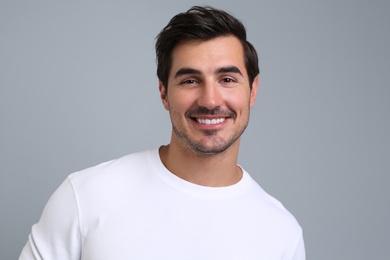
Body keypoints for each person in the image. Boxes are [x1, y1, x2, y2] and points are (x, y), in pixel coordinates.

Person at [20, 6, 305, 259]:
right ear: (164, 93)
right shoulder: (84, 198)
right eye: (190, 80)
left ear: (252, 91)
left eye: (227, 79)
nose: (210, 100)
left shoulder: (281, 232)